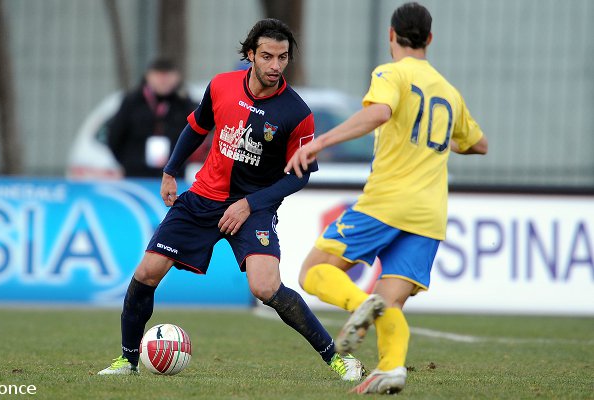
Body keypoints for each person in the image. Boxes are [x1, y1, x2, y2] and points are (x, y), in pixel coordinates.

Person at [98, 18, 364, 381]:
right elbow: (196, 127)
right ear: (250, 54)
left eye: (283, 57)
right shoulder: (222, 85)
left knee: (266, 286)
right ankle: (126, 362)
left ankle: (337, 359)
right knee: (146, 273)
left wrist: (250, 204)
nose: (275, 66)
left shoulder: (297, 113)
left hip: (253, 207)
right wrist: (171, 169)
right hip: (202, 197)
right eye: (267, 56)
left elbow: (300, 174)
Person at [285, 2, 488, 395]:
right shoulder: (449, 91)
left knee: (313, 271)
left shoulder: (390, 73)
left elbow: (379, 113)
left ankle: (359, 304)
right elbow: (479, 144)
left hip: (387, 201)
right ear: (430, 39)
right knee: (390, 301)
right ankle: (391, 368)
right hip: (429, 215)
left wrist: (320, 142)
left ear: (391, 36)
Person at [106, 57, 202, 178]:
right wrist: (128, 163)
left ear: (177, 77)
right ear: (148, 76)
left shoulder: (184, 104)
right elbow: (114, 137)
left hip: (172, 177)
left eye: (168, 76)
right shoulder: (132, 101)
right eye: (158, 75)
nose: (163, 80)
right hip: (137, 175)